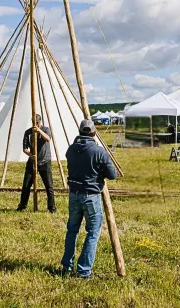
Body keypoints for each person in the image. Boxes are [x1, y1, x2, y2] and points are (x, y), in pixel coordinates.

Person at [61, 119, 118, 279]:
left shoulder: (71, 149)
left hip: (74, 194)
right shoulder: (98, 151)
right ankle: (84, 270)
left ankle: (67, 266)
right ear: (94, 133)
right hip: (90, 196)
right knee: (93, 232)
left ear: (80, 132)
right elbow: (112, 175)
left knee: (72, 230)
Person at [17, 114, 56, 213]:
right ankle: (22, 206)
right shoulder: (28, 133)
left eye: (38, 123)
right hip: (32, 162)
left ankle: (52, 208)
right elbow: (25, 148)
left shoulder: (45, 129)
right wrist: (31, 155)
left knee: (49, 186)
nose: (36, 125)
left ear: (40, 122)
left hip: (45, 161)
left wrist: (39, 131)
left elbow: (48, 139)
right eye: (34, 123)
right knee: (26, 185)